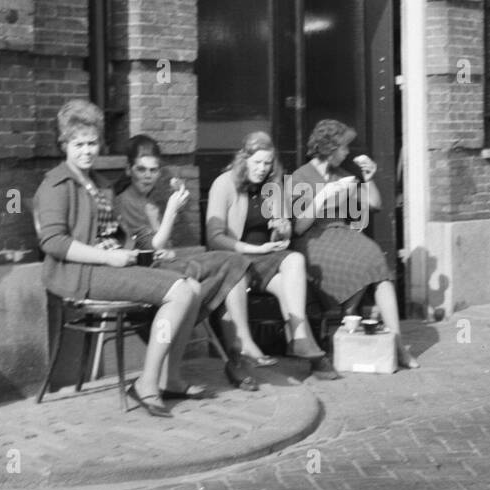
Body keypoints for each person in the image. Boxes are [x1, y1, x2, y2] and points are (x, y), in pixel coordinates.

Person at [35, 100, 204, 418]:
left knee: (192, 288)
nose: (87, 151)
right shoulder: (55, 184)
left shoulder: (98, 184)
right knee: (181, 290)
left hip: (107, 266)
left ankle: (171, 376)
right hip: (80, 275)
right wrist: (106, 257)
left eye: (92, 143)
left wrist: (127, 250)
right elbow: (53, 242)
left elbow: (113, 231)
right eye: (79, 144)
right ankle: (147, 383)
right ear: (64, 145)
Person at [115, 133, 272, 391]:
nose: (147, 175)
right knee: (231, 263)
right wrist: (171, 212)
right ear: (129, 169)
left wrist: (167, 235)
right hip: (149, 277)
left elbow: (160, 248)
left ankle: (239, 347)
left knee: (232, 266)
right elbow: (152, 246)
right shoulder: (128, 201)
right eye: (141, 169)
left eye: (153, 170)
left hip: (164, 266)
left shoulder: (150, 199)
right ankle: (240, 345)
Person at [205, 132, 338, 380]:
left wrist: (282, 228)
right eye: (256, 163)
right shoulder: (223, 184)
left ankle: (299, 337)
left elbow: (284, 231)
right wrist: (254, 249)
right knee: (247, 273)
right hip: (234, 259)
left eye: (267, 163)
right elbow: (214, 238)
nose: (262, 169)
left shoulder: (272, 186)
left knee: (295, 260)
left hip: (264, 260)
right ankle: (249, 346)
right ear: (244, 159)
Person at [290, 119, 418, 370]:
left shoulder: (343, 176)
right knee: (351, 262)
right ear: (329, 147)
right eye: (344, 148)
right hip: (312, 238)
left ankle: (398, 345)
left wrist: (369, 178)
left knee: (373, 257)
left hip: (340, 232)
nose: (348, 152)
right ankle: (347, 329)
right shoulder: (301, 177)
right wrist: (323, 197)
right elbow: (298, 227)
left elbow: (375, 204)